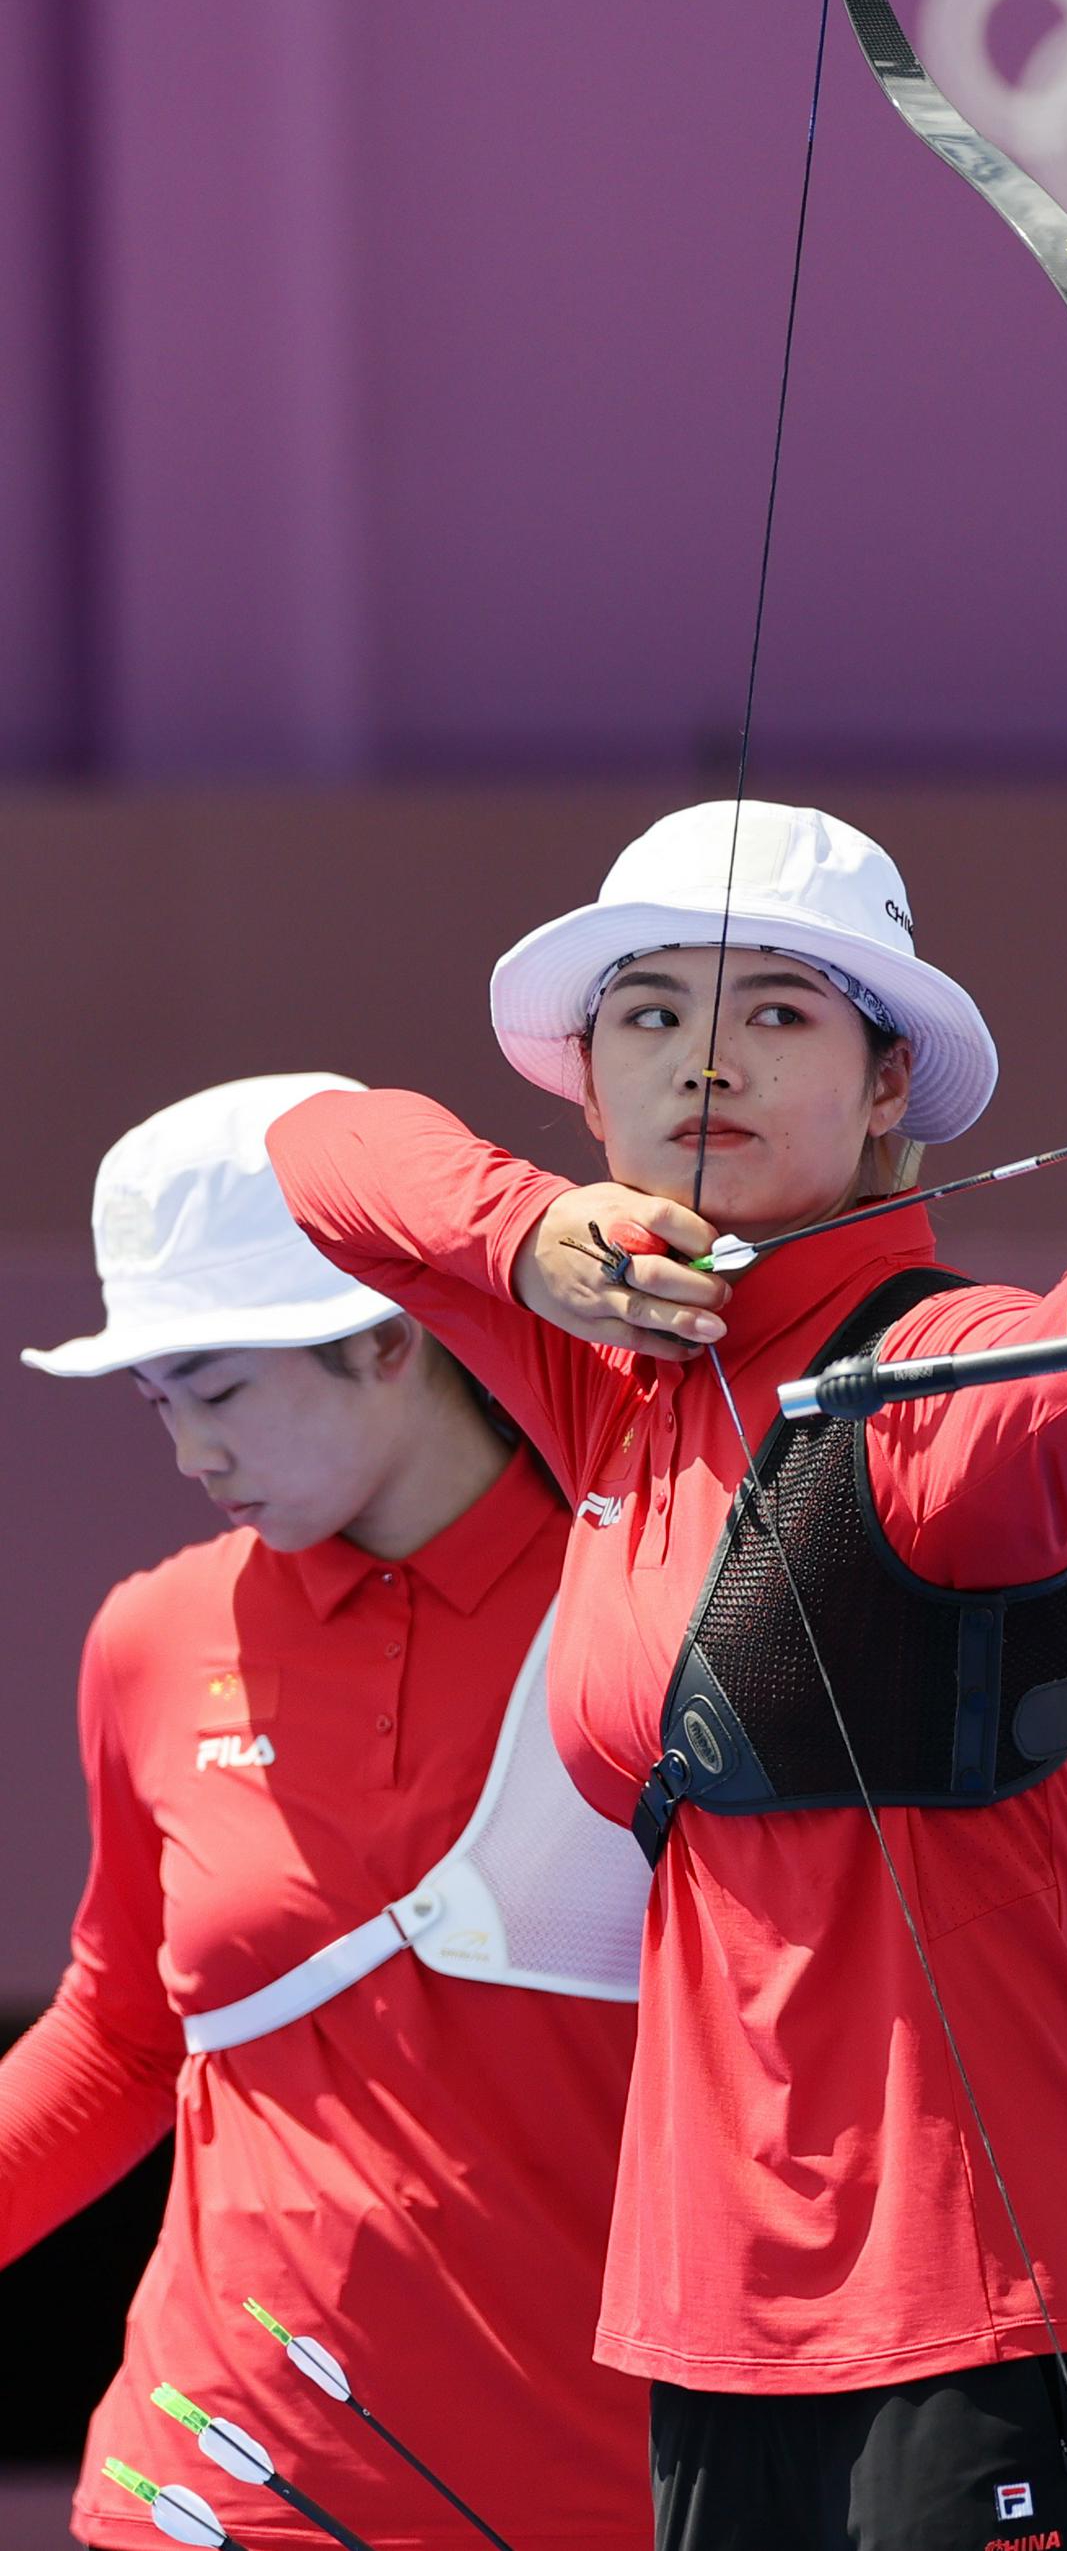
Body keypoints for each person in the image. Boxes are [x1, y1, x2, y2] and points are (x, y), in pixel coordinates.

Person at [266, 802, 1067, 2551]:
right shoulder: (610, 1370)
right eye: (648, 1013)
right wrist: (528, 1238)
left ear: (889, 1086)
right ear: (586, 1085)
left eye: (779, 1014)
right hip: (717, 2317)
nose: (704, 1058)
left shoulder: (929, 1380)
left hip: (992, 2309)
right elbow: (319, 1145)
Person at [1, 1075, 654, 2551]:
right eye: (159, 1401)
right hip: (201, 2494)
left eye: (221, 1391)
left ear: (387, 1333)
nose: (190, 1455)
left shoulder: (652, 1603)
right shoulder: (149, 1635)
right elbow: (119, 2033)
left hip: (598, 2499)